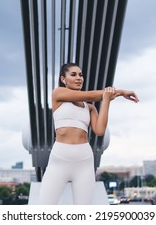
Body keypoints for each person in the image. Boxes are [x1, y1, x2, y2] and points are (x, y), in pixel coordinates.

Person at [38, 62, 139, 204]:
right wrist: (121, 92)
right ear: (63, 79)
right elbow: (90, 95)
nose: (79, 78)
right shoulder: (58, 94)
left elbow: (99, 130)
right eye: (73, 75)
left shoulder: (90, 108)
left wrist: (107, 100)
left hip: (84, 161)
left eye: (81, 75)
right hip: (59, 160)